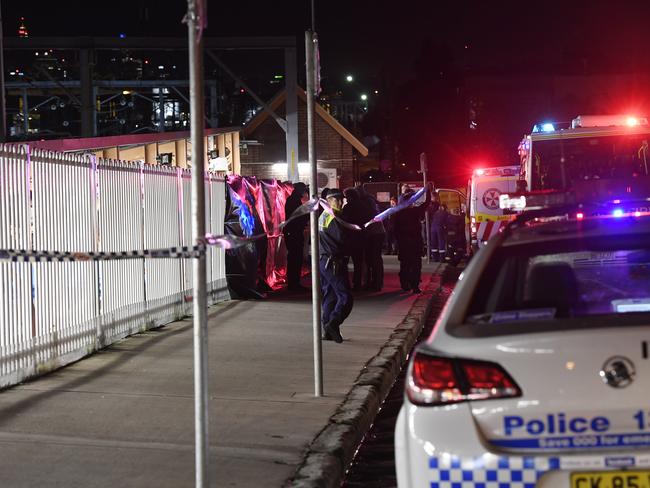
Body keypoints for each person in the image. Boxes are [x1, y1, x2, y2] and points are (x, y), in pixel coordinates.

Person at [319, 189, 353, 343]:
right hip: (333, 262)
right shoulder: (333, 217)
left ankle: (328, 330)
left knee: (330, 296)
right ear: (329, 200)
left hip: (324, 260)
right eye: (337, 200)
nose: (341, 202)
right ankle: (333, 323)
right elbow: (342, 239)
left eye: (341, 200)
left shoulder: (323, 216)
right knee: (345, 297)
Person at [394, 183, 432, 294]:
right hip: (415, 243)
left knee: (405, 265)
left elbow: (394, 229)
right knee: (415, 265)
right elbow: (427, 203)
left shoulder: (398, 213)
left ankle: (405, 284)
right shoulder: (415, 211)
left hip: (404, 244)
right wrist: (427, 191)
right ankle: (414, 286)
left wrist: (398, 242)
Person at [358, 186, 385, 291]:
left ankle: (375, 283)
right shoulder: (371, 200)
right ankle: (376, 282)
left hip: (373, 233)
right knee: (374, 258)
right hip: (377, 232)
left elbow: (368, 216)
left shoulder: (367, 202)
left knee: (373, 259)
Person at [283, 182, 309, 291]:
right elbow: (296, 217)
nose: (305, 191)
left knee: (295, 258)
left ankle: (294, 283)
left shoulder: (294, 200)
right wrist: (307, 215)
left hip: (293, 232)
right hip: (293, 233)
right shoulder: (293, 201)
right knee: (295, 258)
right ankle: (293, 284)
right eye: (303, 189)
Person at [341, 187, 366, 290]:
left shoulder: (348, 207)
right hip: (360, 236)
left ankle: (346, 283)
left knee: (345, 261)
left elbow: (344, 221)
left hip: (349, 237)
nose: (346, 199)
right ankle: (357, 283)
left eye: (346, 197)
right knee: (358, 262)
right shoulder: (363, 205)